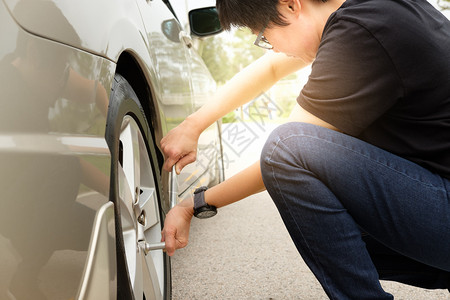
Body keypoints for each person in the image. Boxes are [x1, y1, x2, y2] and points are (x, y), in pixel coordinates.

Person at [160, 0, 450, 298]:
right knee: (329, 237)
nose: (271, 47)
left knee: (286, 149)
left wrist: (193, 205)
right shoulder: (372, 10)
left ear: (290, 5)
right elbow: (271, 69)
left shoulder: (361, 33)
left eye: (263, 36)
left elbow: (282, 158)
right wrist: (193, 125)